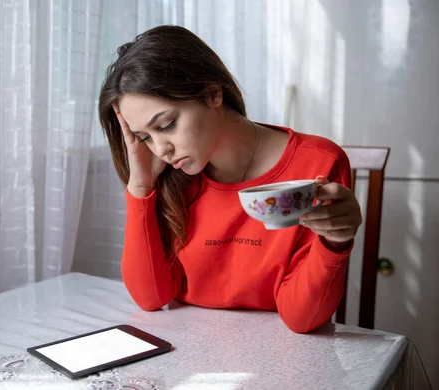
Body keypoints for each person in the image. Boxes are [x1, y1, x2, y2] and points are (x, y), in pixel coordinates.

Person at [97, 25, 362, 333]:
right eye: (144, 137)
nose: (161, 149)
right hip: (183, 353)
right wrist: (140, 189)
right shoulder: (170, 176)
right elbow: (151, 297)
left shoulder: (318, 163)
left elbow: (301, 318)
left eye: (167, 124)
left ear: (213, 93)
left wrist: (335, 241)